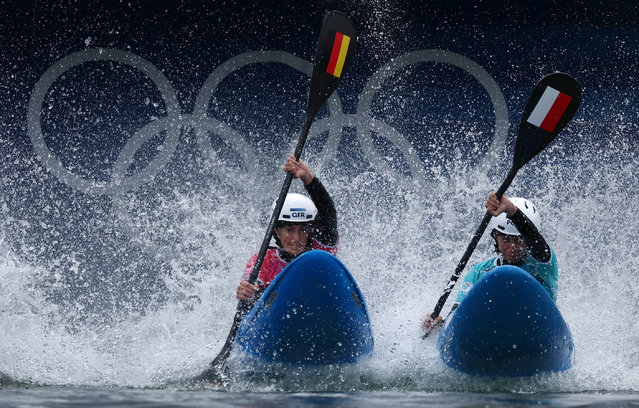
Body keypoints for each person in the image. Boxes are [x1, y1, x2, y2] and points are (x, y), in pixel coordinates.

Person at [422, 192, 558, 331]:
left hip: (536, 331)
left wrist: (511, 211)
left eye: (519, 240)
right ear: (495, 238)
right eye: (505, 239)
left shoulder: (544, 265)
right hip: (492, 335)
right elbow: (458, 317)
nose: (513, 247)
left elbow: (536, 243)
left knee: (510, 273)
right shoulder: (479, 272)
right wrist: (441, 326)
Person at [236, 154, 338, 305]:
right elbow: (253, 297)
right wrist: (247, 293)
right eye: (289, 230)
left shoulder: (321, 249)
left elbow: (328, 212)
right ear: (277, 231)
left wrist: (307, 178)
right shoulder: (264, 260)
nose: (296, 238)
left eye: (303, 230)